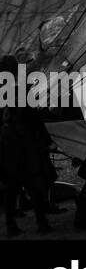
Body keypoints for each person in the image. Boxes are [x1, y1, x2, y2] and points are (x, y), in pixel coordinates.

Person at [1, 55, 54, 235]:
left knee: (12, 185)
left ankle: (10, 224)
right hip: (24, 142)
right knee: (34, 181)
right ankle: (41, 222)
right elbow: (34, 118)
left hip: (6, 143)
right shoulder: (21, 90)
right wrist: (48, 141)